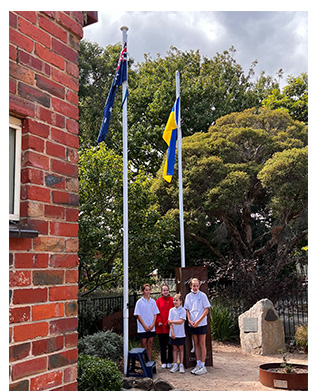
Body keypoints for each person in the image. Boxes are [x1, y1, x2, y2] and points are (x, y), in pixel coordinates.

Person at [184, 278, 211, 375]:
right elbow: (187, 310)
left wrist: (198, 321)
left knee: (202, 344)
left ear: (199, 286)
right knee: (195, 344)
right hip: (192, 324)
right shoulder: (188, 296)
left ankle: (203, 366)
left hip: (201, 324)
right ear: (191, 286)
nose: (195, 287)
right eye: (193, 285)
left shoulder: (203, 295)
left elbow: (206, 309)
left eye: (197, 285)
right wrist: (190, 321)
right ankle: (198, 364)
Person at [134, 283, 160, 360]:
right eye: (146, 290)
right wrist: (145, 326)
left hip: (151, 327)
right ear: (143, 291)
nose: (148, 292)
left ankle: (149, 361)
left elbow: (155, 313)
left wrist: (153, 324)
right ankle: (142, 363)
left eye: (149, 290)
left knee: (150, 344)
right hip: (143, 328)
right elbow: (138, 315)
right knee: (143, 345)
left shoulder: (153, 301)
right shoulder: (139, 302)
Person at [156, 283, 174, 369]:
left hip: (169, 326)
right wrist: (158, 321)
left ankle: (170, 361)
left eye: (167, 290)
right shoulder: (158, 301)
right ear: (161, 291)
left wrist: (169, 321)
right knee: (162, 345)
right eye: (164, 290)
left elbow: (174, 312)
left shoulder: (172, 300)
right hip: (161, 327)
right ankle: (163, 361)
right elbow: (156, 313)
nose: (165, 291)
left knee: (170, 345)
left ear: (169, 291)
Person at [168, 293, 187, 374]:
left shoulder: (183, 310)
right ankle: (175, 364)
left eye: (177, 300)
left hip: (181, 333)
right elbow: (169, 322)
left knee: (181, 349)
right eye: (174, 300)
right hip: (173, 333)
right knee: (174, 349)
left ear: (181, 302)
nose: (175, 302)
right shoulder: (171, 310)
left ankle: (181, 364)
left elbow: (181, 321)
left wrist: (172, 321)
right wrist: (172, 332)